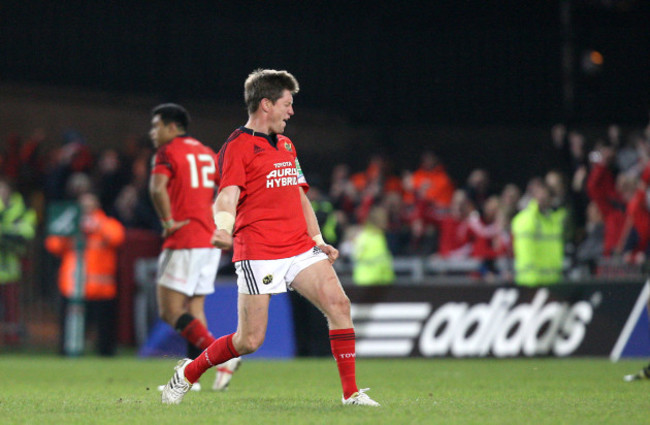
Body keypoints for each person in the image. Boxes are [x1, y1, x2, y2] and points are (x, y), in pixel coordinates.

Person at [161, 69, 380, 406]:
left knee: (339, 305)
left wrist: (317, 238)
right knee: (249, 340)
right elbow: (227, 194)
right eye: (287, 104)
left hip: (299, 246)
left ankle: (351, 394)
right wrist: (223, 226)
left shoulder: (287, 144)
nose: (291, 112)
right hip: (259, 251)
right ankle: (188, 374)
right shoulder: (237, 146)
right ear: (266, 104)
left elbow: (299, 195)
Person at [148, 103, 240, 392]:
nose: (153, 132)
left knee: (169, 310)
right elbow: (228, 188)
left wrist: (167, 220)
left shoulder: (167, 151)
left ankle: (222, 355)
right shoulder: (205, 152)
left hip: (184, 237)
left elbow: (156, 187)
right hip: (210, 240)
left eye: (157, 125)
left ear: (172, 127)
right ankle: (193, 378)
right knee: (195, 307)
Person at [45, 192, 125, 355]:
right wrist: (70, 231)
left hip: (101, 289)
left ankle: (106, 356)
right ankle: (68, 353)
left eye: (90, 206)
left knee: (105, 332)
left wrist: (97, 226)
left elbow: (117, 237)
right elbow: (53, 245)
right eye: (83, 207)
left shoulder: (107, 223)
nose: (86, 210)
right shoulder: (69, 224)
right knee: (70, 328)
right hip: (74, 286)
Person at [0, 177, 37, 345]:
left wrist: (5, 234)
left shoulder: (22, 208)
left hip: (12, 268)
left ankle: (11, 340)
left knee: (12, 308)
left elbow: (26, 232)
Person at [511, 181, 566, 286]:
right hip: (529, 281)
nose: (543, 198)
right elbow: (524, 251)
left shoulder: (555, 221)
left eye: (546, 195)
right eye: (539, 194)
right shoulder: (524, 220)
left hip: (553, 281)